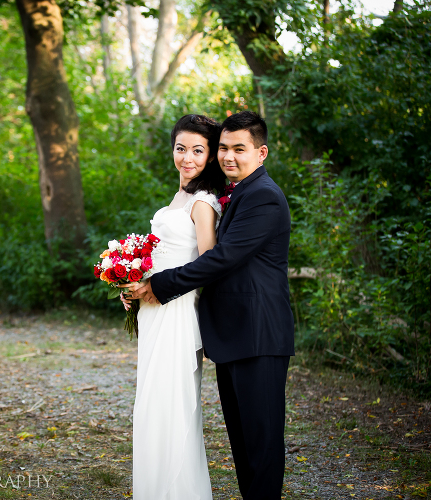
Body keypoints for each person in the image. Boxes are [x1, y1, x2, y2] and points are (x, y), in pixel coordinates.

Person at [130, 110, 295, 500]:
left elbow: (221, 259)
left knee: (262, 444)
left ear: (261, 152)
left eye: (240, 149)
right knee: (243, 443)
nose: (229, 156)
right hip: (232, 334)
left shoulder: (264, 197)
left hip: (259, 334)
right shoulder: (236, 193)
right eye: (224, 148)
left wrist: (160, 285)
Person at [123, 114, 225, 500]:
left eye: (198, 150)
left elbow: (207, 263)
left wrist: (159, 287)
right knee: (151, 404)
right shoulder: (179, 196)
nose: (187, 157)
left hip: (178, 313)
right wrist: (131, 285)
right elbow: (161, 256)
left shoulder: (203, 202)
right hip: (154, 311)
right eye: (181, 148)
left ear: (210, 156)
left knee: (170, 405)